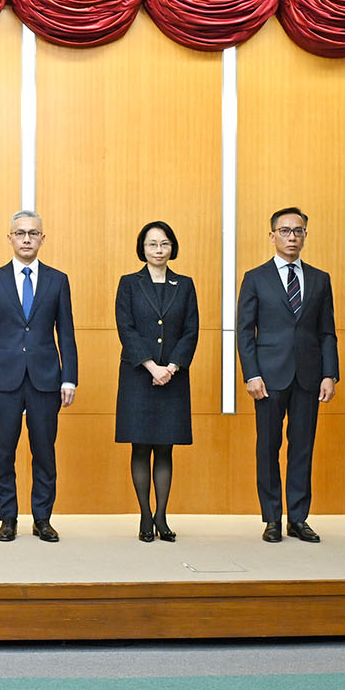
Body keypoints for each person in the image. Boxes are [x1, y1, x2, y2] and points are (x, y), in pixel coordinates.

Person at [0, 209, 77, 543]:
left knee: (44, 451)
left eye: (33, 233)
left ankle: (42, 518)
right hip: (2, 380)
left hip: (46, 379)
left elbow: (67, 333)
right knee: (3, 452)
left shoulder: (58, 279)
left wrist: (69, 377)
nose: (27, 239)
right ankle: (7, 518)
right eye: (20, 233)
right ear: (10, 238)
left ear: (42, 239)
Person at [237, 207, 337, 544]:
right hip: (267, 377)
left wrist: (329, 374)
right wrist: (251, 373)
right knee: (268, 447)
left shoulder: (320, 279)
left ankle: (298, 517)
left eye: (298, 231)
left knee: (303, 448)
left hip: (309, 377)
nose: (291, 237)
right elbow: (243, 331)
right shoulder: (255, 277)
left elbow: (327, 332)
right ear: (272, 236)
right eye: (284, 231)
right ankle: (272, 519)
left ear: (306, 235)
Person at [114, 221, 198, 542]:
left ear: (172, 247)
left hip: (173, 379)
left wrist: (172, 367)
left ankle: (162, 516)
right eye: (152, 245)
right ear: (143, 249)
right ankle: (145, 517)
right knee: (140, 446)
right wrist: (152, 367)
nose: (158, 250)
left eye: (164, 244)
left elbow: (191, 329)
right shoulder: (129, 283)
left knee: (165, 448)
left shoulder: (185, 284)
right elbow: (127, 328)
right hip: (139, 376)